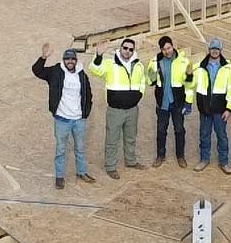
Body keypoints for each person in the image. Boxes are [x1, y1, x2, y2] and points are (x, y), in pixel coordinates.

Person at [32, 44, 96, 190]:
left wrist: (85, 112)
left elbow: (88, 94)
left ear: (76, 60)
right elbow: (37, 71)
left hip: (79, 120)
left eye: (73, 58)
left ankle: (82, 172)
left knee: (80, 148)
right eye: (67, 58)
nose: (70, 61)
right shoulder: (56, 71)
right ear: (63, 60)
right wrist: (43, 57)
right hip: (62, 119)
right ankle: (59, 177)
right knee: (61, 149)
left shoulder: (82, 74)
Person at [88, 38, 149, 178]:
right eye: (125, 48)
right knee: (112, 139)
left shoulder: (138, 65)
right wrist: (98, 55)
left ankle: (131, 161)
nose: (127, 51)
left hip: (132, 110)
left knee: (130, 137)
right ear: (120, 48)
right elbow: (95, 70)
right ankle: (110, 166)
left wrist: (140, 94)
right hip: (115, 111)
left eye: (130, 49)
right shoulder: (110, 63)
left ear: (133, 51)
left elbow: (142, 81)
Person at [190, 38, 231, 173]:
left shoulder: (228, 68)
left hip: (220, 108)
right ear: (209, 50)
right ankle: (204, 159)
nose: (215, 51)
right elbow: (191, 84)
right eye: (212, 49)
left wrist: (229, 108)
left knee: (221, 135)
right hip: (205, 108)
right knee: (204, 135)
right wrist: (188, 76)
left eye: (217, 49)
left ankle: (224, 162)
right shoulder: (200, 67)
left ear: (221, 50)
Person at [145, 35, 194, 168]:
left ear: (173, 46)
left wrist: (188, 103)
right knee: (161, 130)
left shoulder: (184, 61)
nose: (167, 51)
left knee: (179, 130)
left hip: (177, 103)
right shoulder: (155, 62)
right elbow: (150, 82)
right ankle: (160, 155)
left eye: (169, 48)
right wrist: (150, 75)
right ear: (161, 50)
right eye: (164, 49)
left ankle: (180, 156)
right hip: (162, 103)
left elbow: (189, 85)